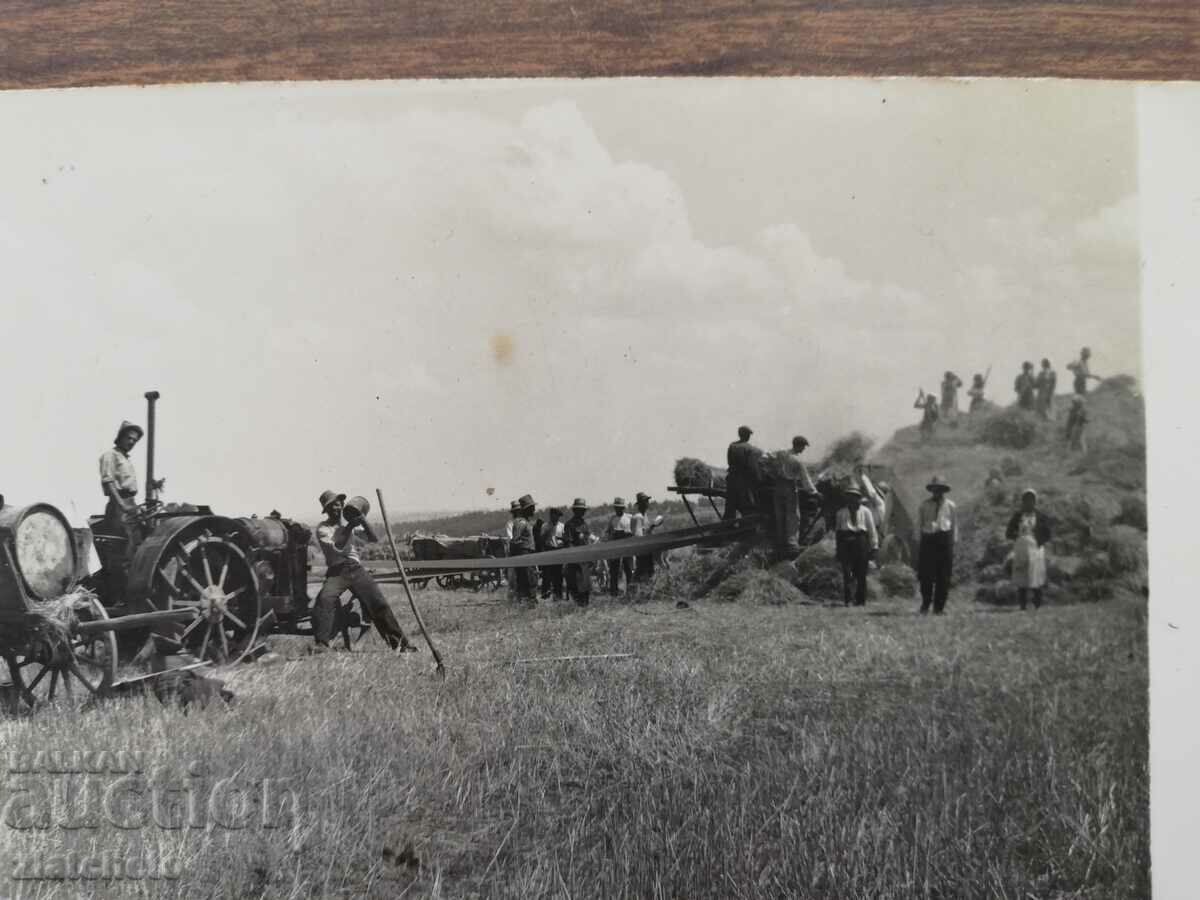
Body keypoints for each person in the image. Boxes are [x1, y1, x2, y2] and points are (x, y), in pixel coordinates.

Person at [313, 491, 416, 653]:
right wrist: (350, 526)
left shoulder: (350, 523)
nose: (336, 507)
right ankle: (321, 645)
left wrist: (363, 520)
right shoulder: (322, 529)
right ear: (326, 510)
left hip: (355, 568)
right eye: (332, 505)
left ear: (342, 506)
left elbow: (373, 539)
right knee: (324, 599)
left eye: (339, 503)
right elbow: (338, 546)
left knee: (378, 603)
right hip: (337, 572)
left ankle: (401, 645)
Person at [1006, 489, 1053, 611]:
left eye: (1031, 500)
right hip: (1021, 547)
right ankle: (1022, 605)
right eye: (1026, 500)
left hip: (1036, 549)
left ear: (1035, 501)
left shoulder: (1041, 517)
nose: (1028, 502)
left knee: (1036, 575)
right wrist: (1018, 537)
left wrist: (1039, 541)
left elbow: (1048, 534)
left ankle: (1037, 604)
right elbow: (1008, 533)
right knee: (1022, 575)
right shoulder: (1017, 516)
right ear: (1022, 502)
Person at [917, 476, 958, 615]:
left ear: (944, 491)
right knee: (926, 575)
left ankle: (939, 607)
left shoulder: (950, 506)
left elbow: (954, 525)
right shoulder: (924, 505)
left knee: (944, 575)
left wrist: (953, 542)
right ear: (931, 490)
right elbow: (920, 524)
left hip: (944, 539)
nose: (937, 492)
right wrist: (919, 541)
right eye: (935, 489)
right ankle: (925, 603)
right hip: (928, 539)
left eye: (940, 489)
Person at [99, 420, 144, 543]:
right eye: (129, 438)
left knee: (137, 542)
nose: (131, 442)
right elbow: (108, 481)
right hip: (118, 505)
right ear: (120, 437)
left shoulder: (125, 458)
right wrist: (122, 505)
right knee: (123, 544)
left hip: (130, 503)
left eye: (135, 440)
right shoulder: (110, 455)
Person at [771, 436, 818, 554]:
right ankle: (792, 546)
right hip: (789, 488)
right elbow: (806, 480)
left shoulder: (781, 453)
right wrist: (815, 493)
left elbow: (764, 458)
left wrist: (771, 472)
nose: (803, 450)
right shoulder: (797, 461)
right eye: (803, 447)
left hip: (777, 487)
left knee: (779, 514)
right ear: (799, 445)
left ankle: (780, 543)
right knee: (792, 516)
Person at [835, 488, 879, 606]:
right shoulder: (841, 513)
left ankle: (860, 600)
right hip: (846, 542)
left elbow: (871, 529)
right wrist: (838, 549)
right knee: (847, 572)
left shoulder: (866, 512)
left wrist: (874, 546)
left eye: (855, 496)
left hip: (861, 541)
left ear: (859, 498)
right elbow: (838, 532)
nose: (852, 499)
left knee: (861, 572)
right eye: (849, 496)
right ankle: (848, 599)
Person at [724, 426, 764, 520]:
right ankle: (747, 530)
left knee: (730, 507)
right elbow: (752, 468)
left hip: (731, 480)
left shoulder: (732, 446)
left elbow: (729, 462)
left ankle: (727, 529)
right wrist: (759, 480)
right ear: (747, 435)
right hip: (744, 482)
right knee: (747, 507)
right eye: (748, 434)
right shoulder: (751, 449)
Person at [509, 494, 538, 602]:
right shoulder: (521, 522)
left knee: (531, 578)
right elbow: (515, 540)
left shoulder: (526, 522)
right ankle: (528, 601)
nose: (534, 510)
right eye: (532, 508)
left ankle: (528, 600)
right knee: (528, 579)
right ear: (526, 509)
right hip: (524, 555)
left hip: (528, 554)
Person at [564, 499, 593, 606]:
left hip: (585, 561)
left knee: (586, 586)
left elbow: (587, 541)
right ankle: (578, 607)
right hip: (575, 562)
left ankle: (585, 606)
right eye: (580, 510)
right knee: (576, 585)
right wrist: (574, 557)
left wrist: (590, 557)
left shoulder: (585, 524)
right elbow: (568, 543)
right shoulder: (569, 525)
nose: (582, 512)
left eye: (583, 510)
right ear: (575, 510)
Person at [605, 497, 635, 596]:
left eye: (621, 507)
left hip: (627, 547)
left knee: (628, 569)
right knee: (614, 570)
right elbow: (608, 533)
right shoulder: (612, 519)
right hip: (615, 547)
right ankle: (614, 592)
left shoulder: (629, 518)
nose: (619, 509)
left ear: (624, 508)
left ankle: (630, 592)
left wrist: (628, 534)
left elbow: (634, 532)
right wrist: (612, 536)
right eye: (617, 507)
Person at [630, 492, 659, 583]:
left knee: (646, 571)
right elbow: (639, 536)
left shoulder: (644, 516)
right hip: (642, 550)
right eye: (646, 501)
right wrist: (651, 527)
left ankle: (636, 590)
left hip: (646, 549)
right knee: (643, 572)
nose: (648, 503)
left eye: (647, 501)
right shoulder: (638, 517)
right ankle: (634, 590)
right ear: (641, 503)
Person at [540, 508, 565, 600]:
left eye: (558, 516)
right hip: (548, 550)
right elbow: (541, 540)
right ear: (551, 515)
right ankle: (545, 594)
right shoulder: (545, 526)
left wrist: (561, 540)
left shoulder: (562, 526)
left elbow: (565, 538)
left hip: (558, 550)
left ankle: (558, 594)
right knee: (547, 574)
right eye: (555, 515)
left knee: (558, 574)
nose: (557, 518)